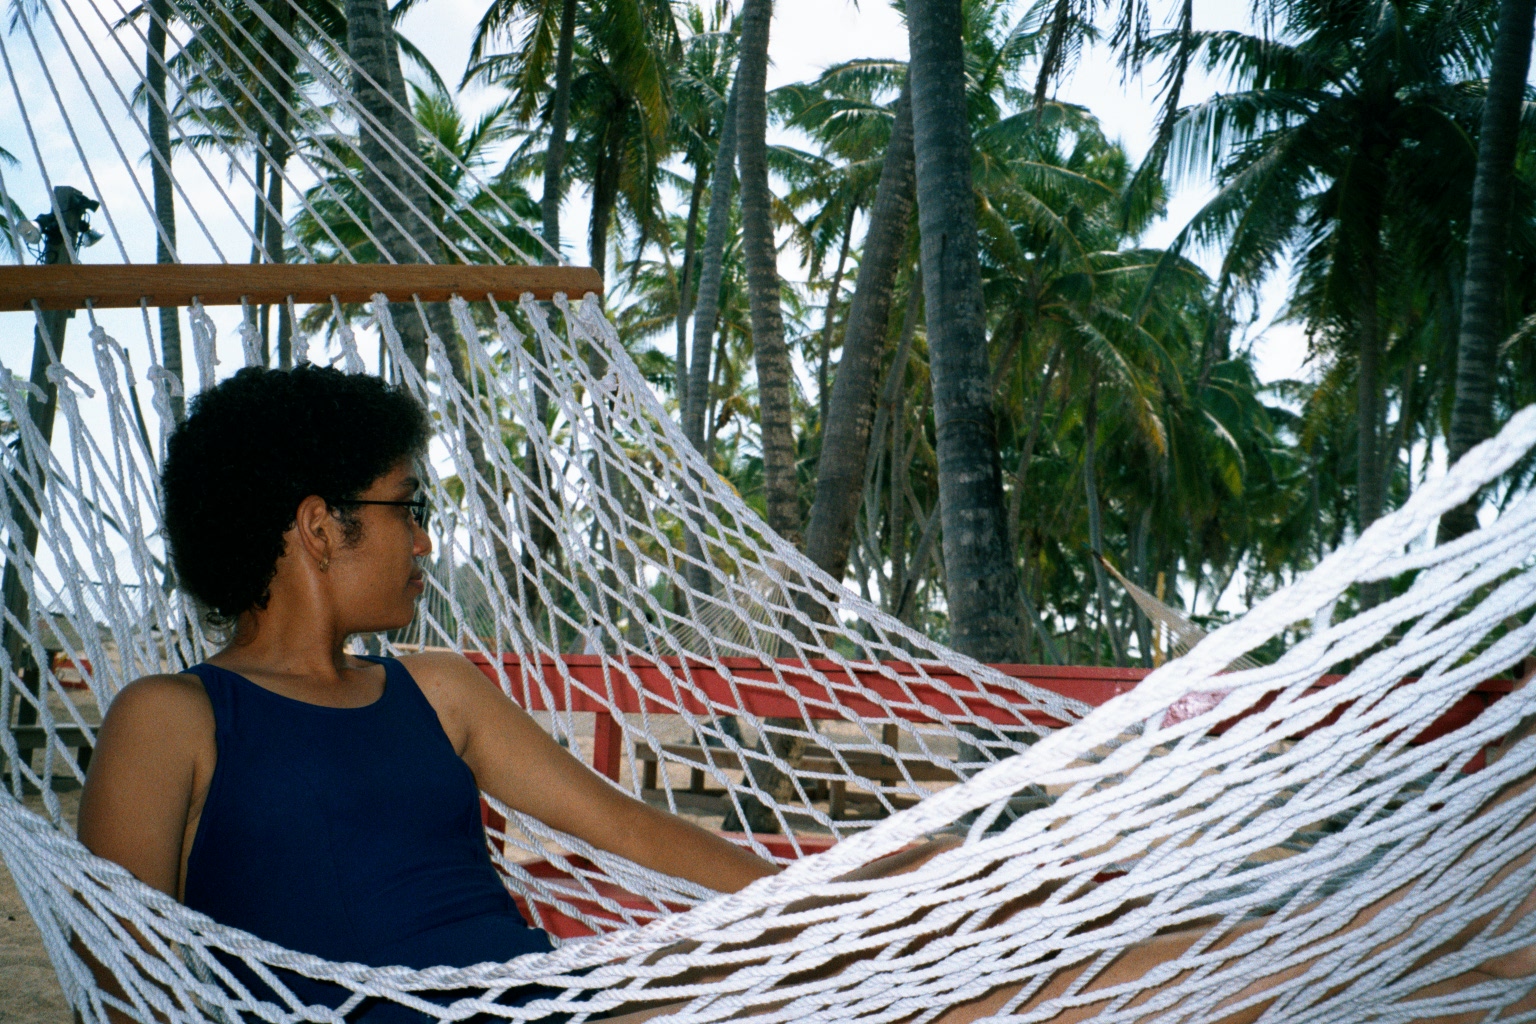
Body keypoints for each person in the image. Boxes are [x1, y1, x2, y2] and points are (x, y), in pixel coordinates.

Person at [78, 365, 1536, 1024]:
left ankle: (1439, 949)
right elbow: (127, 977)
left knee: (1001, 941)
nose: (428, 537)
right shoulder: (172, 721)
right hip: (399, 1021)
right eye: (407, 507)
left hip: (556, 999)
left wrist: (816, 906)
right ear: (316, 525)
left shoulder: (437, 689)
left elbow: (635, 833)